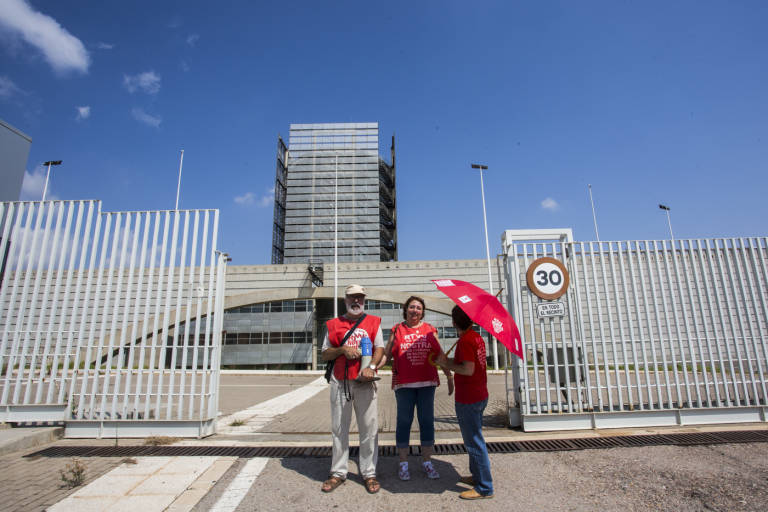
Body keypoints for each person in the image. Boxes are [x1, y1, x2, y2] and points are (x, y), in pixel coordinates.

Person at [320, 284, 385, 494]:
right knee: (339, 429)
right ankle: (338, 472)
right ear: (345, 300)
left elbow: (380, 348)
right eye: (352, 297)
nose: (356, 301)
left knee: (369, 429)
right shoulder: (333, 324)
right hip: (340, 382)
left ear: (364, 300)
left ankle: (369, 472)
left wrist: (371, 367)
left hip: (365, 382)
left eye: (360, 297)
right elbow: (324, 353)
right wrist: (342, 349)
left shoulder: (373, 322)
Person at [383, 295, 453, 481]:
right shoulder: (397, 329)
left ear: (423, 312)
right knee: (403, 422)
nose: (415, 310)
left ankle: (427, 462)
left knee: (426, 421)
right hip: (403, 384)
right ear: (406, 309)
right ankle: (403, 463)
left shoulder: (430, 330)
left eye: (419, 308)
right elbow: (386, 355)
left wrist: (449, 376)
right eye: (412, 307)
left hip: (426, 384)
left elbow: (440, 355)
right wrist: (371, 367)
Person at [435, 305, 494, 500]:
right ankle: (477, 476)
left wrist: (445, 363)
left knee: (474, 442)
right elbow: (470, 363)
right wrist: (449, 361)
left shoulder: (465, 341)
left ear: (454, 322)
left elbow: (467, 369)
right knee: (475, 438)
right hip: (480, 394)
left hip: (469, 398)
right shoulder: (475, 337)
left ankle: (484, 487)